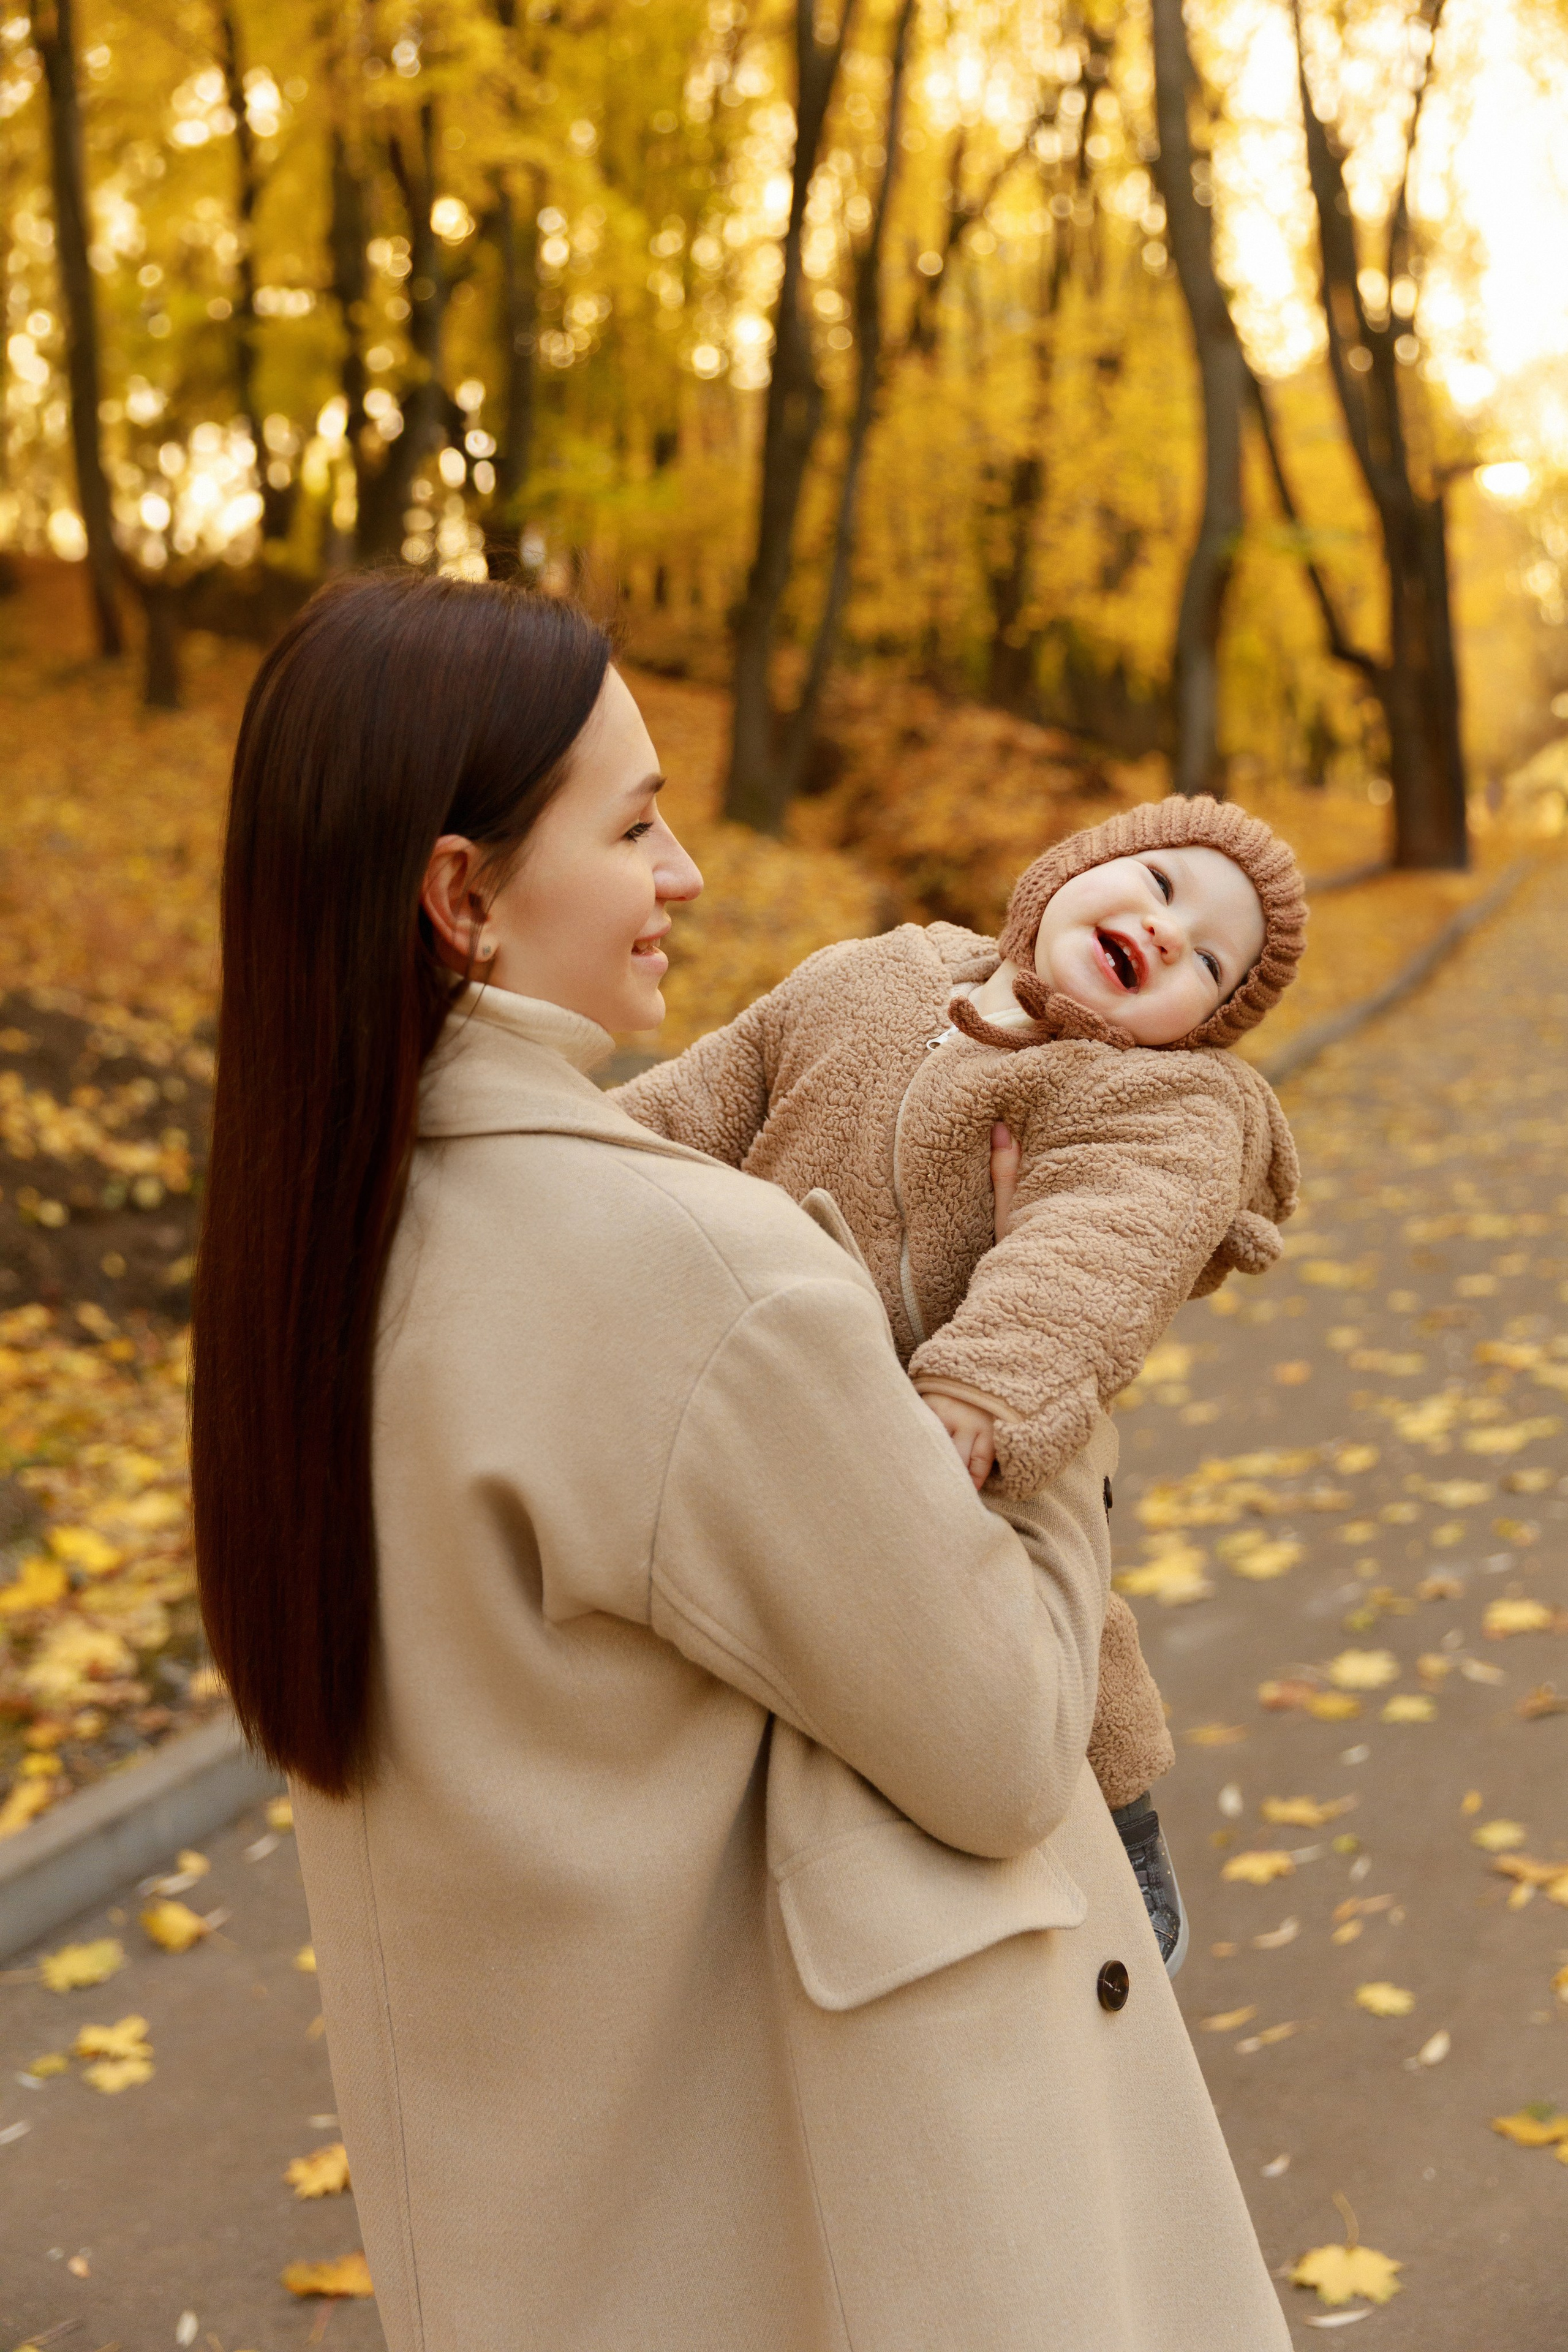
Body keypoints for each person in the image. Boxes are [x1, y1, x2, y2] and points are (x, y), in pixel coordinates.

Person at [191, 571, 1291, 2351]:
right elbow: (1008, 1749)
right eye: (634, 826)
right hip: (855, 2242)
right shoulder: (705, 1280)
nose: (688, 876)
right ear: (461, 895)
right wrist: (1064, 1421)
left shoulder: (323, 1244)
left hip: (547, 2231)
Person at [612, 797, 1305, 1960]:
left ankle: (1123, 1834)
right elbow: (701, 1099)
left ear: (1208, 1025)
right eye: (1164, 885)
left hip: (951, 1441)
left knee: (1054, 1644)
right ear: (1081, 862)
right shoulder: (874, 974)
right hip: (750, 1398)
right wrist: (562, 1163)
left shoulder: (1161, 1103)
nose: (1168, 933)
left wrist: (988, 1389)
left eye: (1211, 963)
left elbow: (1095, 1248)